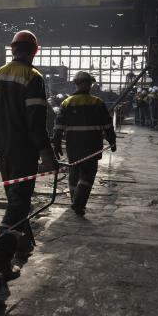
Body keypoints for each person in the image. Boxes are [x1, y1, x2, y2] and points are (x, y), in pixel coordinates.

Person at [0, 30, 57, 279]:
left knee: (16, 199)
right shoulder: (33, 77)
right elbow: (36, 122)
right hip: (24, 149)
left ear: (12, 49)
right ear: (35, 51)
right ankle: (0, 259)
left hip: (3, 148)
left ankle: (23, 244)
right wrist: (46, 153)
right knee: (20, 202)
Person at [52, 71, 117, 216]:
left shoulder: (67, 103)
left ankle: (74, 200)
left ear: (75, 84)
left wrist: (56, 143)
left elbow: (59, 126)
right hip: (92, 146)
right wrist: (112, 140)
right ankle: (79, 203)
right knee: (87, 176)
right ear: (89, 85)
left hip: (73, 146)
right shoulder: (97, 103)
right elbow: (107, 125)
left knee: (74, 173)